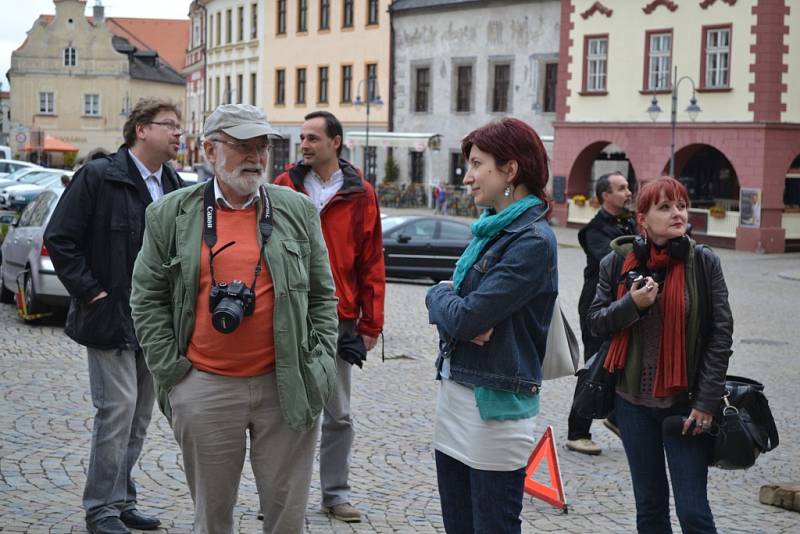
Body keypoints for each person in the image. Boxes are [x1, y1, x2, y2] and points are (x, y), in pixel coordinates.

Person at [130, 104, 339, 533]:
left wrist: (318, 367)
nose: (255, 156)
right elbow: (146, 298)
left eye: (261, 146)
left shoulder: (296, 211)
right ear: (209, 149)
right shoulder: (171, 214)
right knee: (213, 516)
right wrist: (173, 374)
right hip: (203, 385)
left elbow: (323, 296)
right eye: (242, 145)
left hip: (286, 385)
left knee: (286, 517)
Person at [44, 98, 184, 534]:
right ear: (141, 129)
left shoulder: (173, 181)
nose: (178, 133)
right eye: (170, 125)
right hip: (109, 317)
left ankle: (122, 500)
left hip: (155, 321)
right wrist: (94, 293)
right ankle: (100, 508)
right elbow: (60, 239)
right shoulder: (99, 176)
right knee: (116, 411)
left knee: (141, 417)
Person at [425, 118, 557, 533]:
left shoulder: (532, 240)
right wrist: (445, 300)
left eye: (477, 164)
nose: (466, 177)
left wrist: (439, 297)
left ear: (510, 171)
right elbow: (463, 316)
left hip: (496, 409)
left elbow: (467, 317)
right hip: (457, 392)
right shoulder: (490, 231)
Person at [588, 177, 733, 533]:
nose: (677, 213)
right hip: (632, 405)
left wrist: (706, 403)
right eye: (665, 207)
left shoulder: (703, 263)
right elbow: (595, 322)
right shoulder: (615, 263)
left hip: (685, 407)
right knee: (650, 509)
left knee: (693, 512)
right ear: (643, 219)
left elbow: (720, 334)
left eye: (681, 205)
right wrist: (631, 305)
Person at [274, 110, 385, 523]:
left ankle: (335, 494)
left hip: (337, 317)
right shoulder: (283, 186)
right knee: (284, 407)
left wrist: (371, 323)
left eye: (312, 138)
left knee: (338, 412)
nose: (304, 145)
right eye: (301, 138)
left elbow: (372, 260)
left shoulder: (361, 194)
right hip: (287, 311)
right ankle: (281, 497)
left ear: (336, 142)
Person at [566, 172, 636, 455]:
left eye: (628, 187)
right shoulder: (594, 229)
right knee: (595, 365)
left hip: (625, 303)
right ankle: (577, 432)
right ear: (605, 195)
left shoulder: (629, 223)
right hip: (597, 305)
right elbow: (617, 260)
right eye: (621, 188)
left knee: (624, 360)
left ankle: (616, 417)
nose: (628, 192)